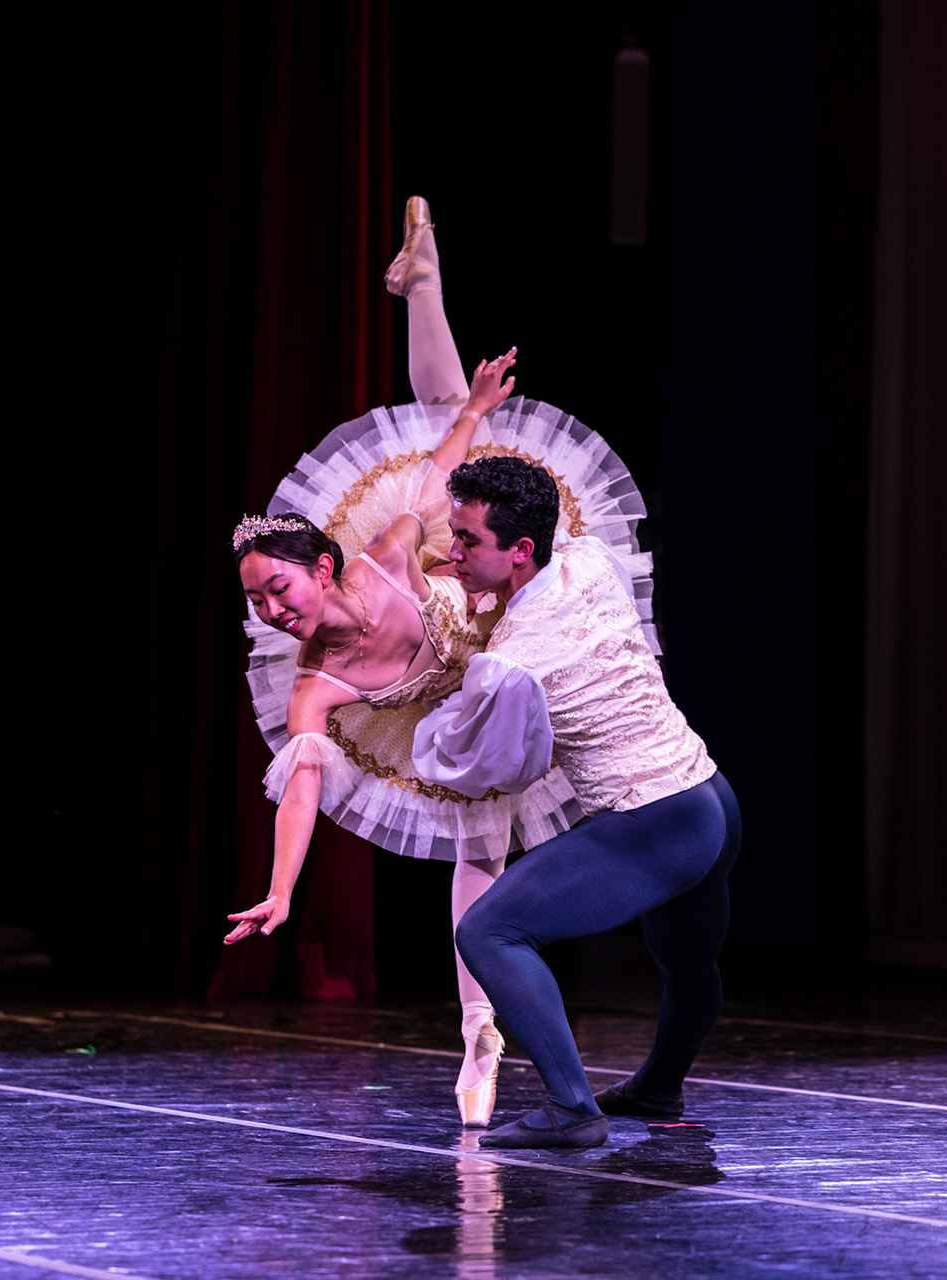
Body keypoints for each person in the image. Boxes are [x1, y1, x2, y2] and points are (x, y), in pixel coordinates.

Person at [222, 199, 656, 1128]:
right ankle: (478, 1035)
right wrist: (279, 890)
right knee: (479, 846)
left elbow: (431, 478)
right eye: (256, 602)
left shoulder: (385, 553)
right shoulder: (318, 683)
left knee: (446, 427)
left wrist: (479, 413)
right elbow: (301, 784)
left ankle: (424, 283)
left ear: (323, 565)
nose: (270, 611)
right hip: (457, 721)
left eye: (278, 590)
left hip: (500, 629)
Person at [412, 452, 742, 1149]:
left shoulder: (511, 662)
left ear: (521, 548)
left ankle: (571, 1108)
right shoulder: (589, 559)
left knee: (487, 932)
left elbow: (486, 767)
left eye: (467, 540)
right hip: (709, 794)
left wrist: (432, 708)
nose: (453, 553)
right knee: (688, 965)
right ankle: (658, 1085)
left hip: (655, 818)